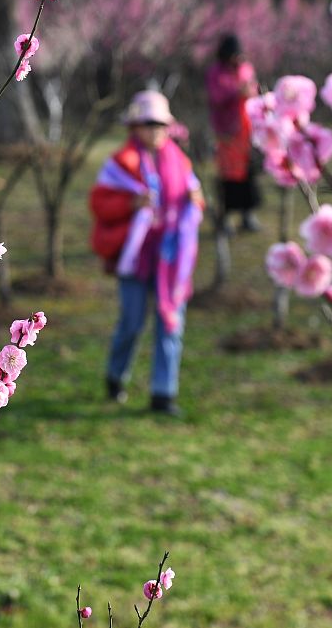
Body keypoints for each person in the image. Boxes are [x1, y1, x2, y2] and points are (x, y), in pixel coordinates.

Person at [89, 91, 204, 416]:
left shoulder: (180, 161)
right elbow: (100, 203)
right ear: (135, 126)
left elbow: (195, 199)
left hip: (170, 259)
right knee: (132, 321)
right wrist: (131, 204)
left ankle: (163, 394)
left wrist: (196, 199)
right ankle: (115, 376)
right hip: (134, 257)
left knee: (170, 323)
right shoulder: (121, 163)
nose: (154, 130)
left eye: (159, 124)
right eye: (147, 123)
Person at [205, 34, 262, 232]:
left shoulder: (246, 68)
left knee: (248, 173)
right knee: (229, 174)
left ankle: (248, 215)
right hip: (227, 131)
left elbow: (254, 89)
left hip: (248, 128)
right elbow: (216, 96)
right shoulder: (216, 73)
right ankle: (226, 217)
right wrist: (237, 92)